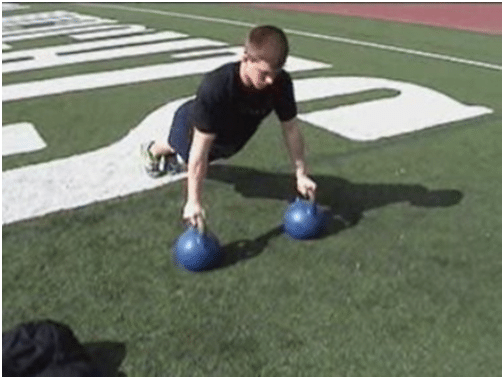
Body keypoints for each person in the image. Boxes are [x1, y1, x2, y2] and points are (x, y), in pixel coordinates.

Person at [141, 25, 317, 228]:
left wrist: (301, 174)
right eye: (264, 73)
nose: (270, 80)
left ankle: (177, 158)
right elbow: (200, 147)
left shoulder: (281, 83)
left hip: (228, 139)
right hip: (191, 127)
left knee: (208, 156)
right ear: (246, 58)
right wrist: (194, 202)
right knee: (187, 155)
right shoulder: (217, 86)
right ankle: (152, 150)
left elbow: (291, 129)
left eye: (275, 73)